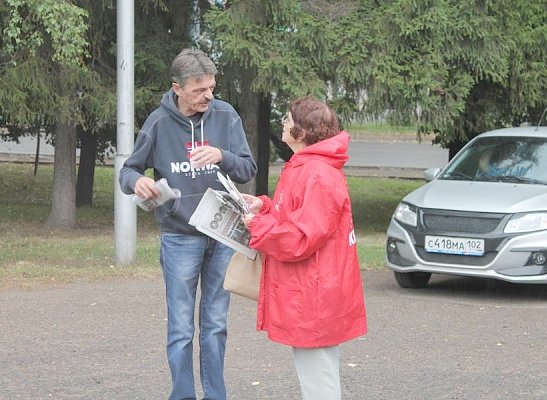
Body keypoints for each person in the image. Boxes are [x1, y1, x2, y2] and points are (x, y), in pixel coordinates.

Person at [119, 48, 257, 400]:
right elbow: (128, 171)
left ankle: (215, 395)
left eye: (211, 88)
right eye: (199, 90)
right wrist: (138, 183)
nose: (208, 96)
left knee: (216, 325)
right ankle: (181, 395)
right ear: (177, 88)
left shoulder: (226, 116)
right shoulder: (159, 122)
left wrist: (221, 156)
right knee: (181, 327)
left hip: (224, 235)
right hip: (180, 237)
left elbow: (247, 169)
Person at [242, 96, 367, 399]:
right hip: (311, 289)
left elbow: (301, 238)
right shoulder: (306, 166)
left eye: (287, 119)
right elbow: (298, 216)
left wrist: (257, 226)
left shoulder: (317, 173)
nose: (282, 124)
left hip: (315, 292)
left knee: (319, 380)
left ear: (302, 131)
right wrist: (264, 207)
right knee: (316, 373)